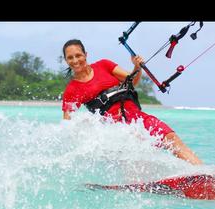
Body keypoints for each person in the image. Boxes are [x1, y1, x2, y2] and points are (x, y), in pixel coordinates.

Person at [61, 39, 203, 165]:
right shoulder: (72, 90)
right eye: (70, 58)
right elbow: (68, 123)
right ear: (66, 60)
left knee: (170, 138)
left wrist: (137, 67)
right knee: (137, 145)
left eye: (78, 55)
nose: (75, 60)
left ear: (86, 54)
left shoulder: (104, 65)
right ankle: (137, 183)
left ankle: (203, 173)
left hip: (138, 118)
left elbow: (132, 81)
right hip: (116, 129)